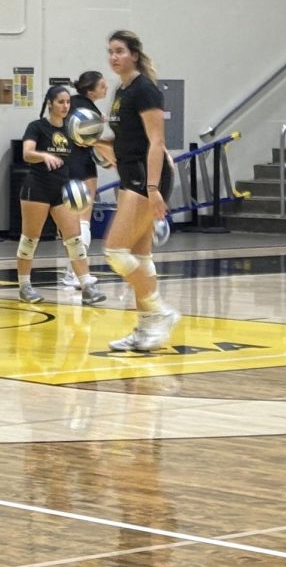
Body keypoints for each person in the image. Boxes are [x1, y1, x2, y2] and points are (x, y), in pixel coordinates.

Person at [102, 30, 179, 352]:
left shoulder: (145, 90)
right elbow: (125, 141)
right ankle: (146, 329)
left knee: (116, 254)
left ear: (134, 54)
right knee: (140, 257)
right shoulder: (122, 91)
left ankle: (160, 312)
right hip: (131, 174)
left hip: (146, 178)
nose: (114, 57)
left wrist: (152, 188)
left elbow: (157, 142)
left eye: (120, 51)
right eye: (110, 52)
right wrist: (94, 140)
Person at [15, 85, 108, 306]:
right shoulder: (37, 127)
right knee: (30, 239)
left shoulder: (71, 129)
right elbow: (27, 154)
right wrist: (44, 156)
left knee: (74, 239)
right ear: (50, 103)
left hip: (62, 190)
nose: (65, 106)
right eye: (61, 102)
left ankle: (87, 287)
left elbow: (92, 144)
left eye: (68, 102)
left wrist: (106, 151)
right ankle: (24, 286)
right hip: (36, 188)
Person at [58, 70, 112, 287]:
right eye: (102, 86)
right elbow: (91, 142)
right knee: (82, 221)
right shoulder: (88, 111)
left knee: (71, 222)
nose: (106, 88)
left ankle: (71, 271)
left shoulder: (71, 104)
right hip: (82, 167)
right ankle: (76, 273)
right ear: (91, 90)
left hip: (65, 165)